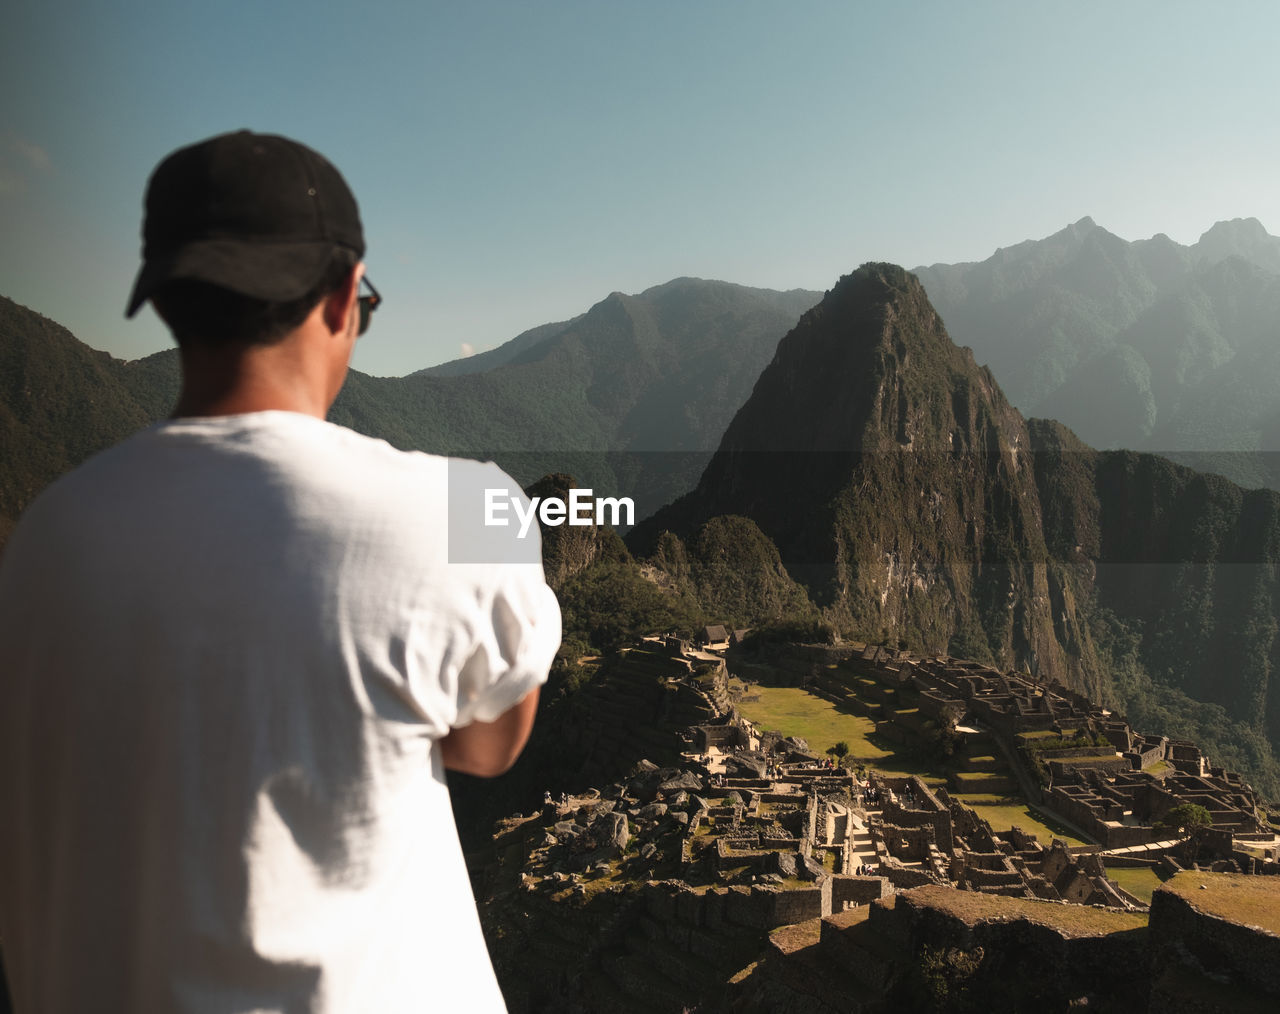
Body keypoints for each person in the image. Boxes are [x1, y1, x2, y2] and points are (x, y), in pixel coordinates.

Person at [0, 131, 561, 1013]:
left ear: (169, 303)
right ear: (345, 298)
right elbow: (491, 745)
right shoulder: (465, 512)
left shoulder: (45, 536)